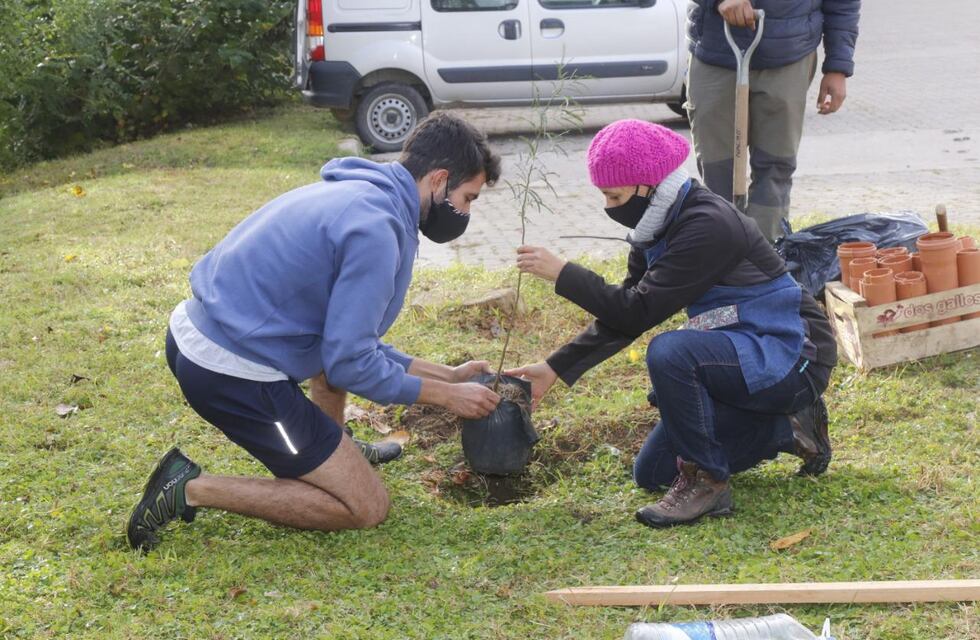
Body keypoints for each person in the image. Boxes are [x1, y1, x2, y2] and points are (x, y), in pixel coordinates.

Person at [127, 113, 502, 552]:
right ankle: (189, 488)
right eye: (468, 197)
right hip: (230, 374)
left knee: (336, 368)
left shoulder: (363, 193)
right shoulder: (376, 231)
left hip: (207, 333)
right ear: (438, 181)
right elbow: (349, 363)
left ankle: (334, 446)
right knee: (364, 506)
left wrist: (448, 375)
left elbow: (349, 339)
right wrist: (447, 396)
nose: (466, 212)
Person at [508, 119, 837, 528]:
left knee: (671, 353)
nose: (610, 207)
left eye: (614, 195)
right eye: (605, 196)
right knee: (653, 473)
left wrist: (564, 274)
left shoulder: (707, 224)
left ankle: (708, 484)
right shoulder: (654, 225)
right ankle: (787, 428)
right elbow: (623, 314)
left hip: (791, 354)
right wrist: (554, 368)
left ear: (648, 185)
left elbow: (637, 311)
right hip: (738, 350)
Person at [686, 0, 861, 241]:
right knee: (716, 170)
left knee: (775, 169)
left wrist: (838, 66)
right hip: (717, 52)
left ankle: (764, 259)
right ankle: (722, 252)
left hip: (789, 54)